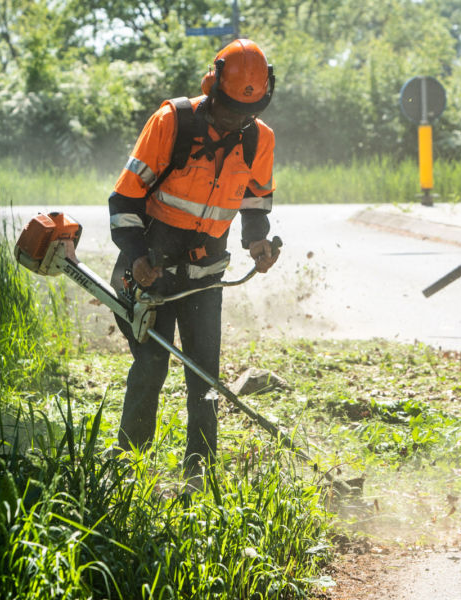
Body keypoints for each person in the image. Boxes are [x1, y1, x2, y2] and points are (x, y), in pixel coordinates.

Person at [108, 39, 280, 480]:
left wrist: (257, 242)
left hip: (206, 277)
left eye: (247, 112)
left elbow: (257, 198)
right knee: (150, 365)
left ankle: (198, 474)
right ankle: (129, 468)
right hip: (152, 271)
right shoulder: (173, 122)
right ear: (212, 87)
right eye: (228, 109)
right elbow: (124, 200)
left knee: (204, 378)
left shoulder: (259, 137)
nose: (236, 120)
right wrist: (136, 256)